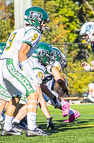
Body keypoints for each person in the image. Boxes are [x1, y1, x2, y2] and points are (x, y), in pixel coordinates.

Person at [0, 6, 51, 136]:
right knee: (33, 92)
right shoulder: (34, 32)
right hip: (12, 64)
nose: (43, 24)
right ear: (35, 19)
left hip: (4, 64)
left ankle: (7, 127)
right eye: (42, 21)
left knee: (16, 95)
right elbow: (22, 54)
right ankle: (32, 128)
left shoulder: (17, 31)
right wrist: (32, 74)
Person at [41, 46, 80, 123]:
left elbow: (59, 79)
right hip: (43, 84)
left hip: (45, 84)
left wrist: (64, 88)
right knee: (49, 100)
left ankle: (64, 103)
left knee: (46, 97)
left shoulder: (52, 64)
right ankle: (73, 112)